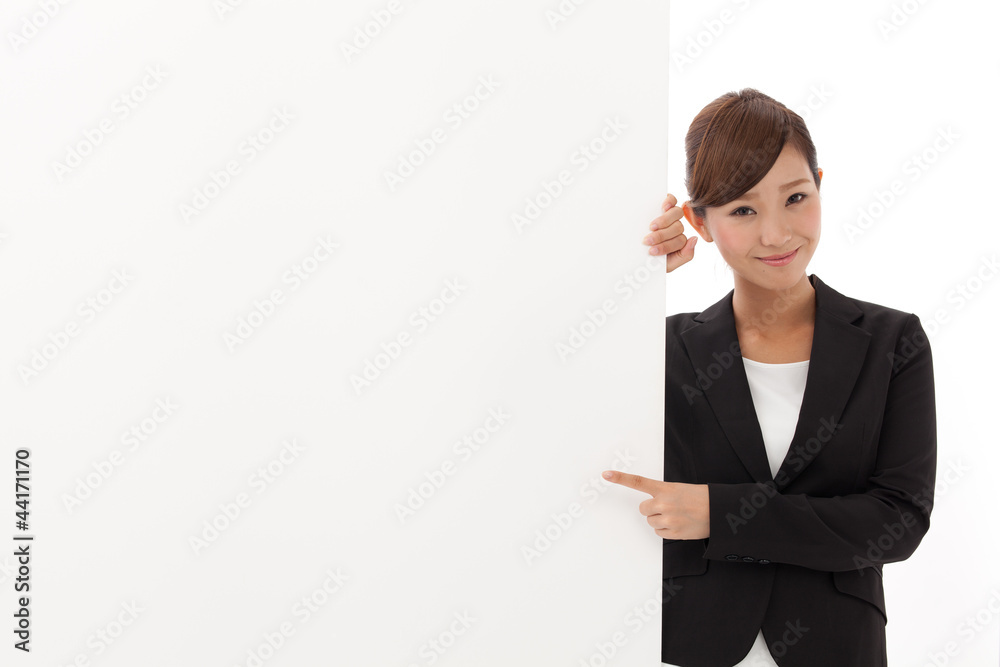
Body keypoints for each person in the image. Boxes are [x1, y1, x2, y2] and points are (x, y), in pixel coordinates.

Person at [602, 88, 937, 667]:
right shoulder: (663, 349)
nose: (777, 234)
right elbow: (552, 404)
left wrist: (719, 513)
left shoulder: (893, 342)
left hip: (836, 647)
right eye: (742, 210)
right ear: (699, 223)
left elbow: (898, 520)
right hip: (689, 646)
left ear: (820, 185)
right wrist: (632, 281)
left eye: (796, 198)